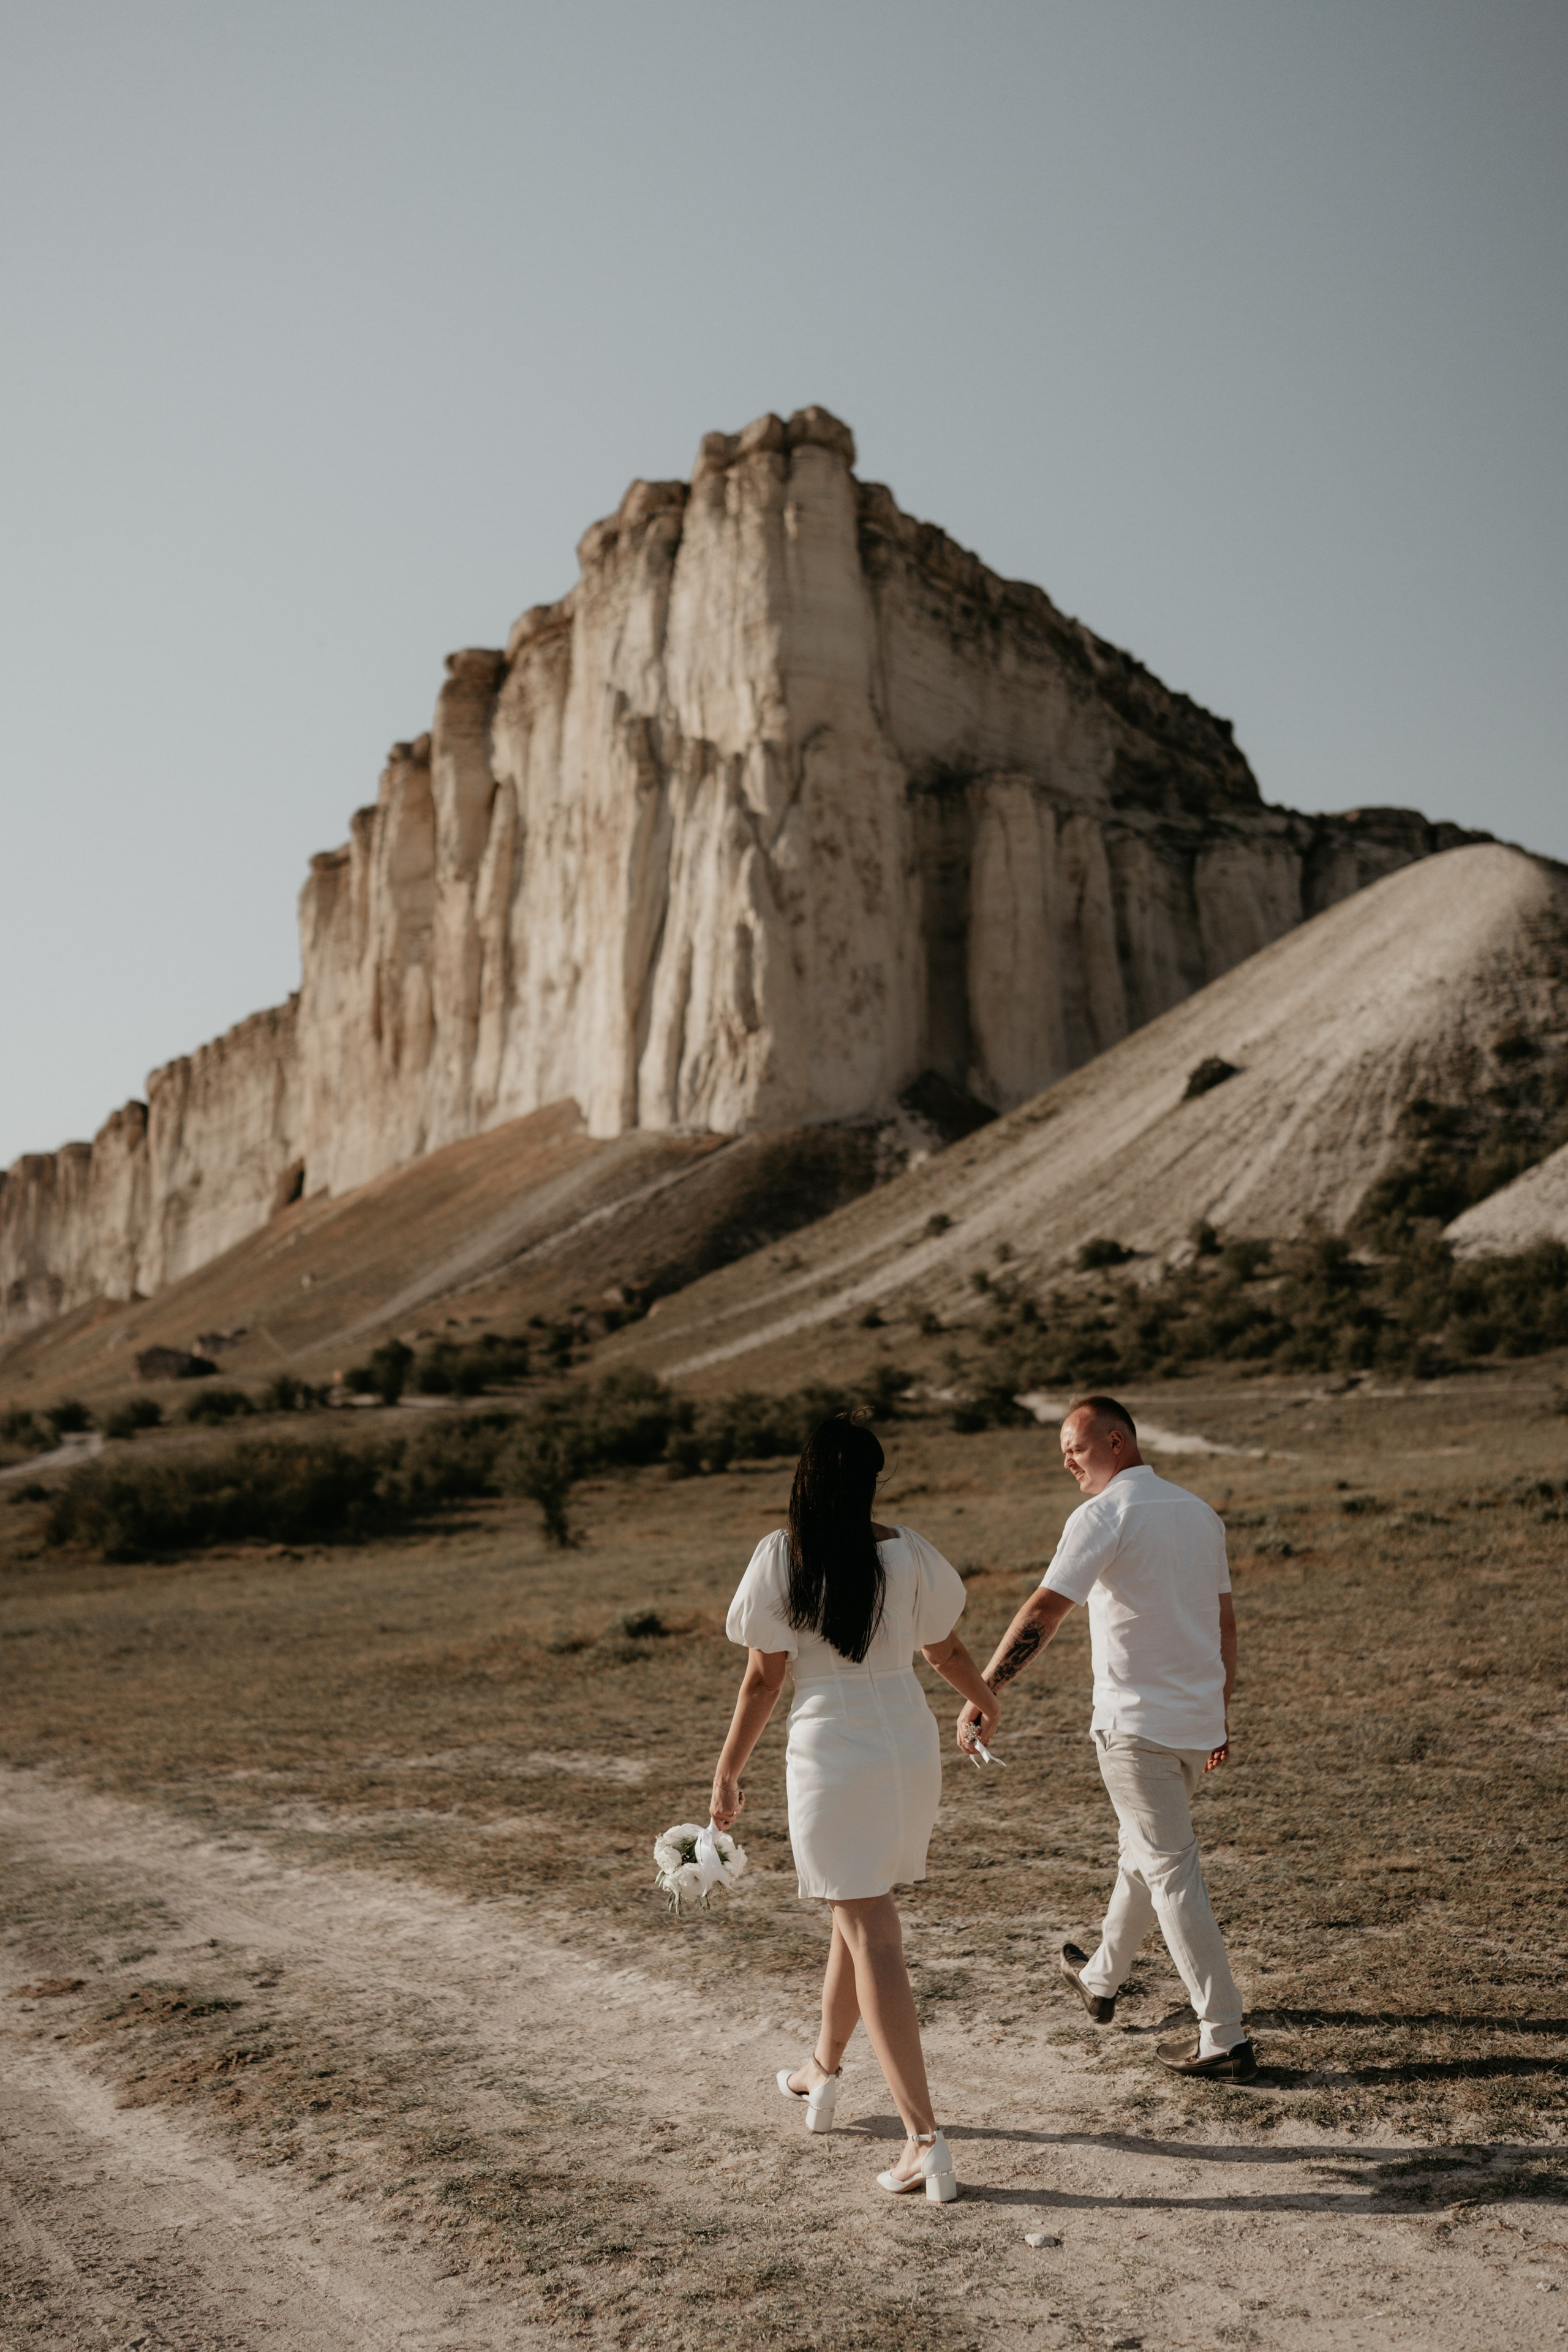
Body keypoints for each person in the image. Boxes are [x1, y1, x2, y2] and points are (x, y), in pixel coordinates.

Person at [710, 1415, 1000, 2201]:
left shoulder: (783, 1557)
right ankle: (822, 2069)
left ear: (805, 1478)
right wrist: (984, 1701)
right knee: (858, 1904)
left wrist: (727, 1772)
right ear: (871, 1479)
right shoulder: (909, 1551)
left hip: (832, 1749)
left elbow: (764, 1678)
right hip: (906, 1742)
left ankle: (924, 2140)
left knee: (870, 1926)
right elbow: (943, 1649)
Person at [959, 1394, 1256, 2080]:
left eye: (1077, 1447)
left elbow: (1045, 1610)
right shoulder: (1199, 1513)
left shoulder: (1103, 1514)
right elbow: (1225, 1625)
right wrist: (1218, 1714)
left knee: (1169, 1869)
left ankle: (1223, 2034)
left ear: (1117, 1442)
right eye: (1063, 1451)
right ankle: (1099, 1979)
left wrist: (985, 1692)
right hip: (1190, 1727)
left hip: (1135, 1729)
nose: (1068, 1461)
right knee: (1142, 1856)